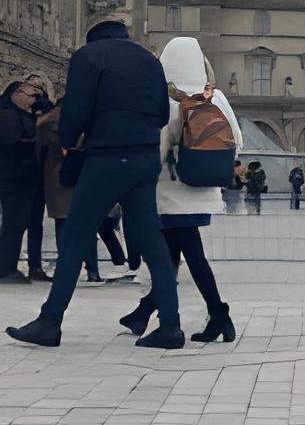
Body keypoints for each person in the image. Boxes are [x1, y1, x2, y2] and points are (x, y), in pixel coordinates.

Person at [6, 19, 182, 348]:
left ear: (93, 37)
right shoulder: (148, 59)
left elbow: (76, 109)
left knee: (75, 235)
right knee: (151, 240)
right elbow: (161, 113)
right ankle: (170, 326)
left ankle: (50, 321)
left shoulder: (89, 57)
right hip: (144, 157)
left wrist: (70, 141)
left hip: (108, 157)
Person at [118, 38, 242, 344]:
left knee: (186, 257)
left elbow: (157, 151)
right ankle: (144, 312)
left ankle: (219, 315)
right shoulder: (216, 98)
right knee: (174, 255)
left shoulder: (168, 100)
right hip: (204, 191)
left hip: (171, 194)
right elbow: (237, 142)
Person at [35, 85, 103, 285]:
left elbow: (39, 152)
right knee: (85, 226)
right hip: (80, 176)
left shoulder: (46, 123)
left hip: (56, 179)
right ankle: (92, 270)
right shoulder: (86, 120)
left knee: (64, 225)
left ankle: (67, 270)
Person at [0, 79, 51, 284]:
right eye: (31, 96)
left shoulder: (20, 113)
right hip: (13, 176)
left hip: (23, 176)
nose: (34, 101)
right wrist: (36, 143)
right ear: (17, 94)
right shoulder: (8, 115)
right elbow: (11, 143)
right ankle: (5, 268)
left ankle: (7, 265)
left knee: (18, 223)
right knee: (14, 223)